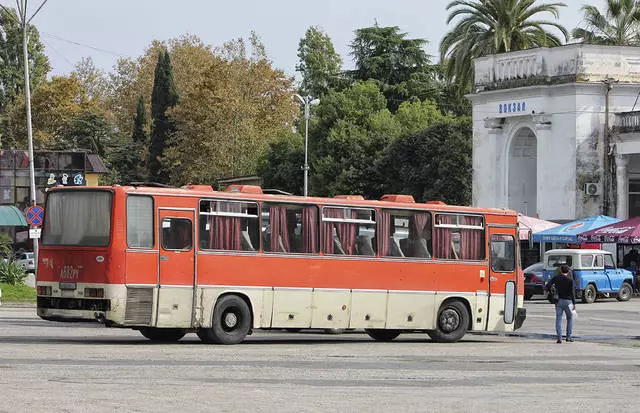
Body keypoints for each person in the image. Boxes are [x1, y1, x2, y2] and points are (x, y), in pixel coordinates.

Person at [546, 264, 576, 343]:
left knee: (558, 319)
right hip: (568, 301)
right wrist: (574, 303)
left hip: (558, 301)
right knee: (569, 318)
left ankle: (559, 338)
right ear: (568, 271)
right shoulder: (570, 280)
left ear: (560, 270)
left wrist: (551, 292)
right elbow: (572, 292)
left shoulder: (556, 278)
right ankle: (568, 337)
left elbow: (548, 285)